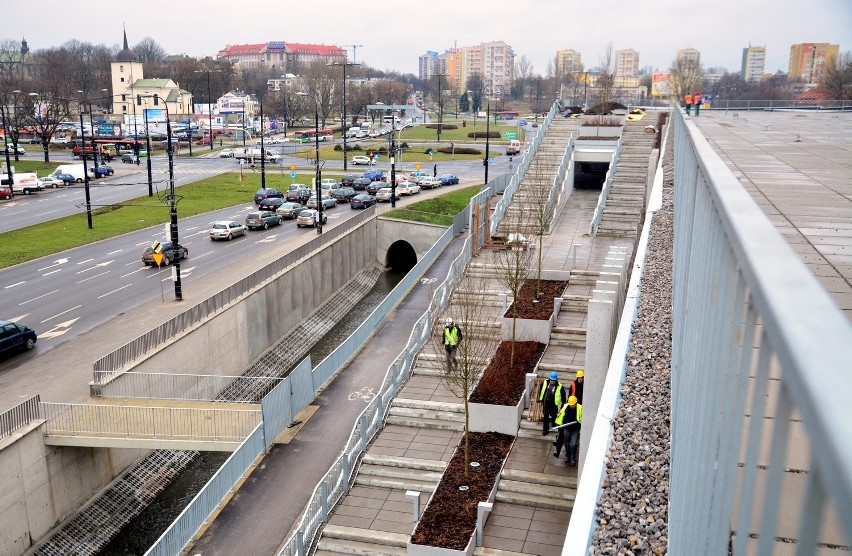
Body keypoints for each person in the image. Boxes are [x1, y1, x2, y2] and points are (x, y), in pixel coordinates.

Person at [554, 395, 583, 465]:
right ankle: (568, 456)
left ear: (576, 403)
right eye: (571, 405)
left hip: (575, 430)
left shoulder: (580, 408)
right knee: (567, 443)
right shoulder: (565, 407)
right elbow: (561, 416)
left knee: (573, 444)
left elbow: (582, 418)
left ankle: (573, 458)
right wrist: (560, 424)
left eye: (573, 405)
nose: (572, 406)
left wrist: (579, 423)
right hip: (566, 429)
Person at [538, 371, 565, 436]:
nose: (552, 382)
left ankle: (553, 422)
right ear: (549, 379)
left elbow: (563, 397)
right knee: (545, 417)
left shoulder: (560, 386)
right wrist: (541, 399)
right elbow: (541, 390)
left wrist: (562, 406)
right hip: (546, 403)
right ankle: (545, 430)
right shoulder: (545, 382)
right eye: (551, 380)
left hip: (553, 404)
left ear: (556, 380)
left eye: (554, 380)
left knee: (553, 415)